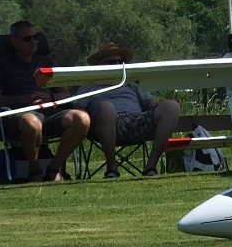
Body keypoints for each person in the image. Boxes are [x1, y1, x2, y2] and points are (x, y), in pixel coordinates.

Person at [0, 20, 90, 182]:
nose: (33, 42)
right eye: (27, 39)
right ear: (14, 41)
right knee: (31, 122)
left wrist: (52, 98)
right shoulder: (0, 65)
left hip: (49, 112)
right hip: (18, 116)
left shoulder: (46, 62)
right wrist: (23, 99)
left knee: (82, 119)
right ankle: (35, 171)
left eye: (35, 38)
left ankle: (54, 168)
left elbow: (65, 93)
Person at [77, 42, 181, 178]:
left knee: (172, 106)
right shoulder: (89, 84)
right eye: (112, 62)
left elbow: (152, 103)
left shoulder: (131, 83)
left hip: (136, 122)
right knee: (106, 107)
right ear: (100, 65)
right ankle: (111, 169)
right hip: (105, 124)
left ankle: (151, 167)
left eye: (120, 61)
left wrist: (164, 110)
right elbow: (77, 108)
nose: (117, 65)